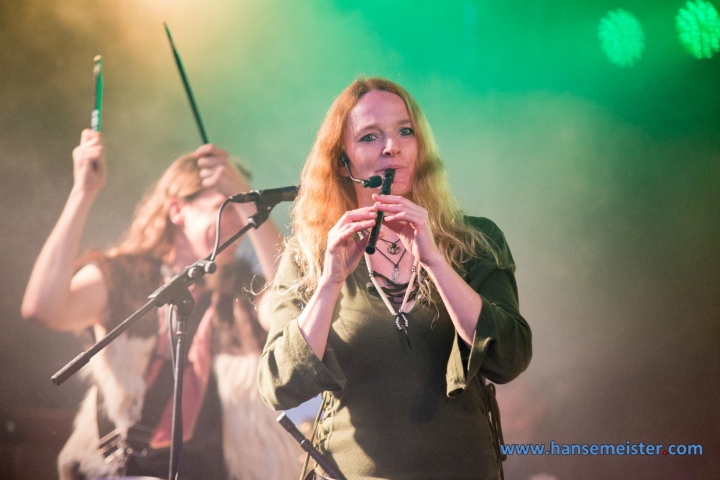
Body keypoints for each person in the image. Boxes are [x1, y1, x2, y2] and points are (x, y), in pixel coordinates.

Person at [257, 78, 532, 480]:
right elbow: (279, 385)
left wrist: (436, 262)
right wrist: (330, 282)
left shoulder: (476, 241)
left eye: (406, 131)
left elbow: (510, 358)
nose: (393, 146)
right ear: (342, 161)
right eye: (370, 136)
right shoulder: (309, 255)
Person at [21, 130, 301, 480]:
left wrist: (250, 203)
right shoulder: (123, 275)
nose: (238, 223)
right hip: (121, 468)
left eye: (240, 211)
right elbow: (43, 307)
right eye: (223, 208)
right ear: (176, 210)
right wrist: (83, 192)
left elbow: (292, 307)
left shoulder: (240, 283)